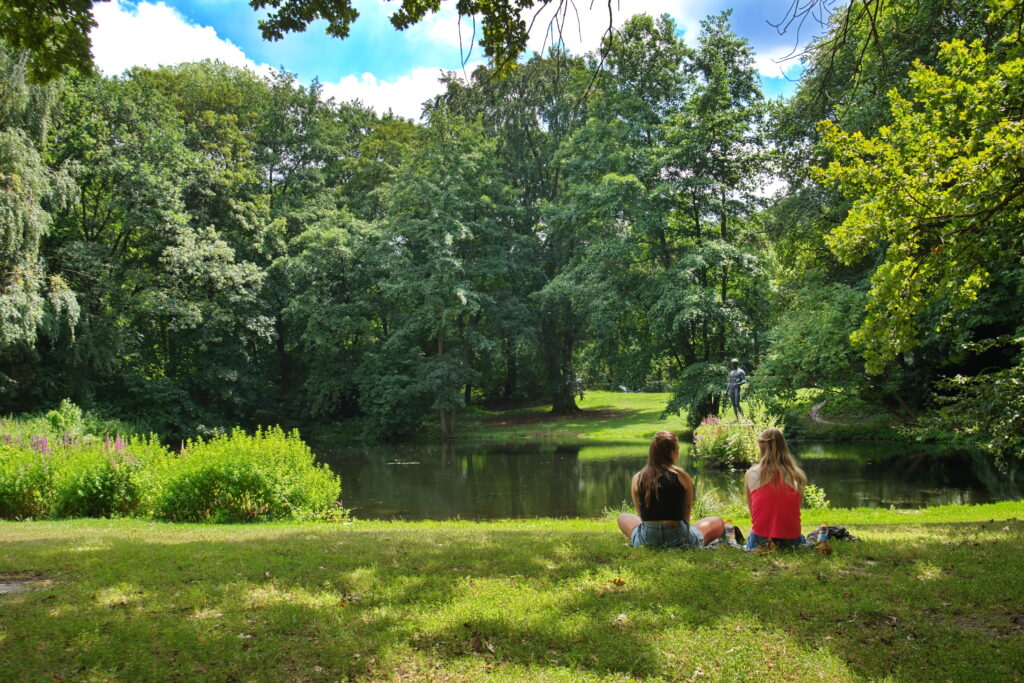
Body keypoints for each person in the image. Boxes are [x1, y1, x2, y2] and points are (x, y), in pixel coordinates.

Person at [617, 431, 725, 549]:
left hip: (647, 539)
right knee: (718, 522)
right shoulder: (682, 476)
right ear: (672, 452)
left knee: (622, 517)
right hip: (679, 537)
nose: (678, 453)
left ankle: (647, 541)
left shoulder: (637, 478)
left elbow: (642, 517)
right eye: (677, 449)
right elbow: (686, 514)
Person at [744, 428, 809, 550]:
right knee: (803, 539)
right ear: (783, 446)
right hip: (792, 540)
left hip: (760, 541)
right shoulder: (798, 475)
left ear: (761, 447)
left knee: (750, 538)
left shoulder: (751, 474)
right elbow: (794, 510)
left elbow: (753, 514)